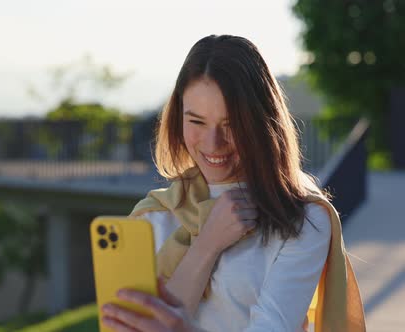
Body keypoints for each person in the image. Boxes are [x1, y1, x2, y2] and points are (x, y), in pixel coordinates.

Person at [100, 35, 366, 332]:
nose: (214, 144)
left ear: (262, 122)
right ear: (178, 118)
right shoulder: (153, 215)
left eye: (231, 125)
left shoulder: (303, 218)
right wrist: (208, 243)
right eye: (197, 122)